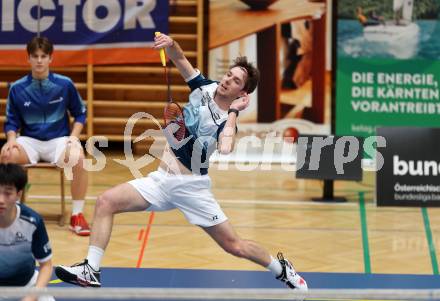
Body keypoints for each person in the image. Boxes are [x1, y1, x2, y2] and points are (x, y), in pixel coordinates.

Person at [55, 33, 308, 291]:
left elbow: (227, 147)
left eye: (235, 81)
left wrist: (233, 112)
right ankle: (91, 269)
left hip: (191, 187)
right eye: (229, 74)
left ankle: (282, 270)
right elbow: (179, 57)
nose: (227, 80)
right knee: (105, 201)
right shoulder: (203, 87)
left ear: (242, 92)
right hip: (161, 181)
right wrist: (170, 43)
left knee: (235, 246)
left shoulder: (226, 120)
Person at [0, 36, 90, 236]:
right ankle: (8, 213)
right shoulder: (17, 88)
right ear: (28, 59)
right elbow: (11, 120)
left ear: (51, 59)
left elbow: (81, 113)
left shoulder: (65, 85)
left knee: (79, 157)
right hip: (29, 141)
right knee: (6, 155)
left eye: (43, 56)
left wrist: (74, 137)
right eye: (35, 56)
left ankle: (77, 215)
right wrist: (11, 139)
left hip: (58, 140)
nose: (39, 60)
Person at [0, 163, 54, 301]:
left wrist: (31, 297)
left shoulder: (32, 221)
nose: (1, 200)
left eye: (7, 193)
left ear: (18, 194)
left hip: (27, 284)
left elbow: (46, 266)